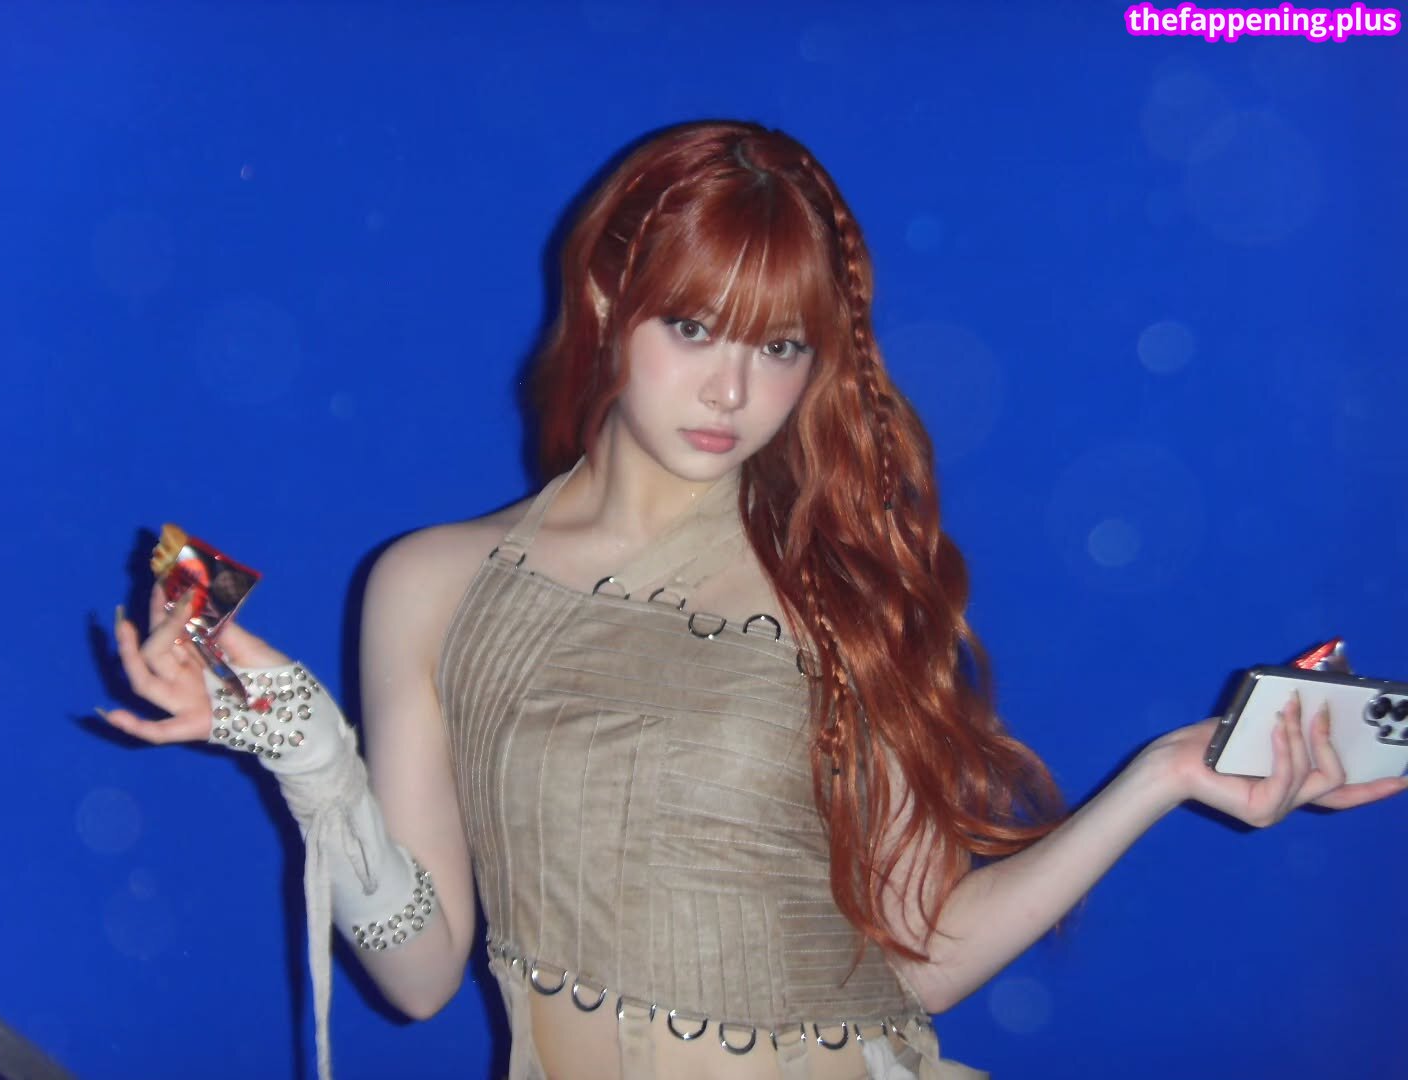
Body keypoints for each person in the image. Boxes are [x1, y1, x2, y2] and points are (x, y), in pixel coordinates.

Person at [99, 120, 1407, 1080]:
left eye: (779, 347)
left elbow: (913, 962)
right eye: (693, 329)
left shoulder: (848, 595)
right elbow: (421, 975)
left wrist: (1166, 775)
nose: (732, 392)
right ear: (607, 300)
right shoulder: (427, 583)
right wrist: (307, 756)